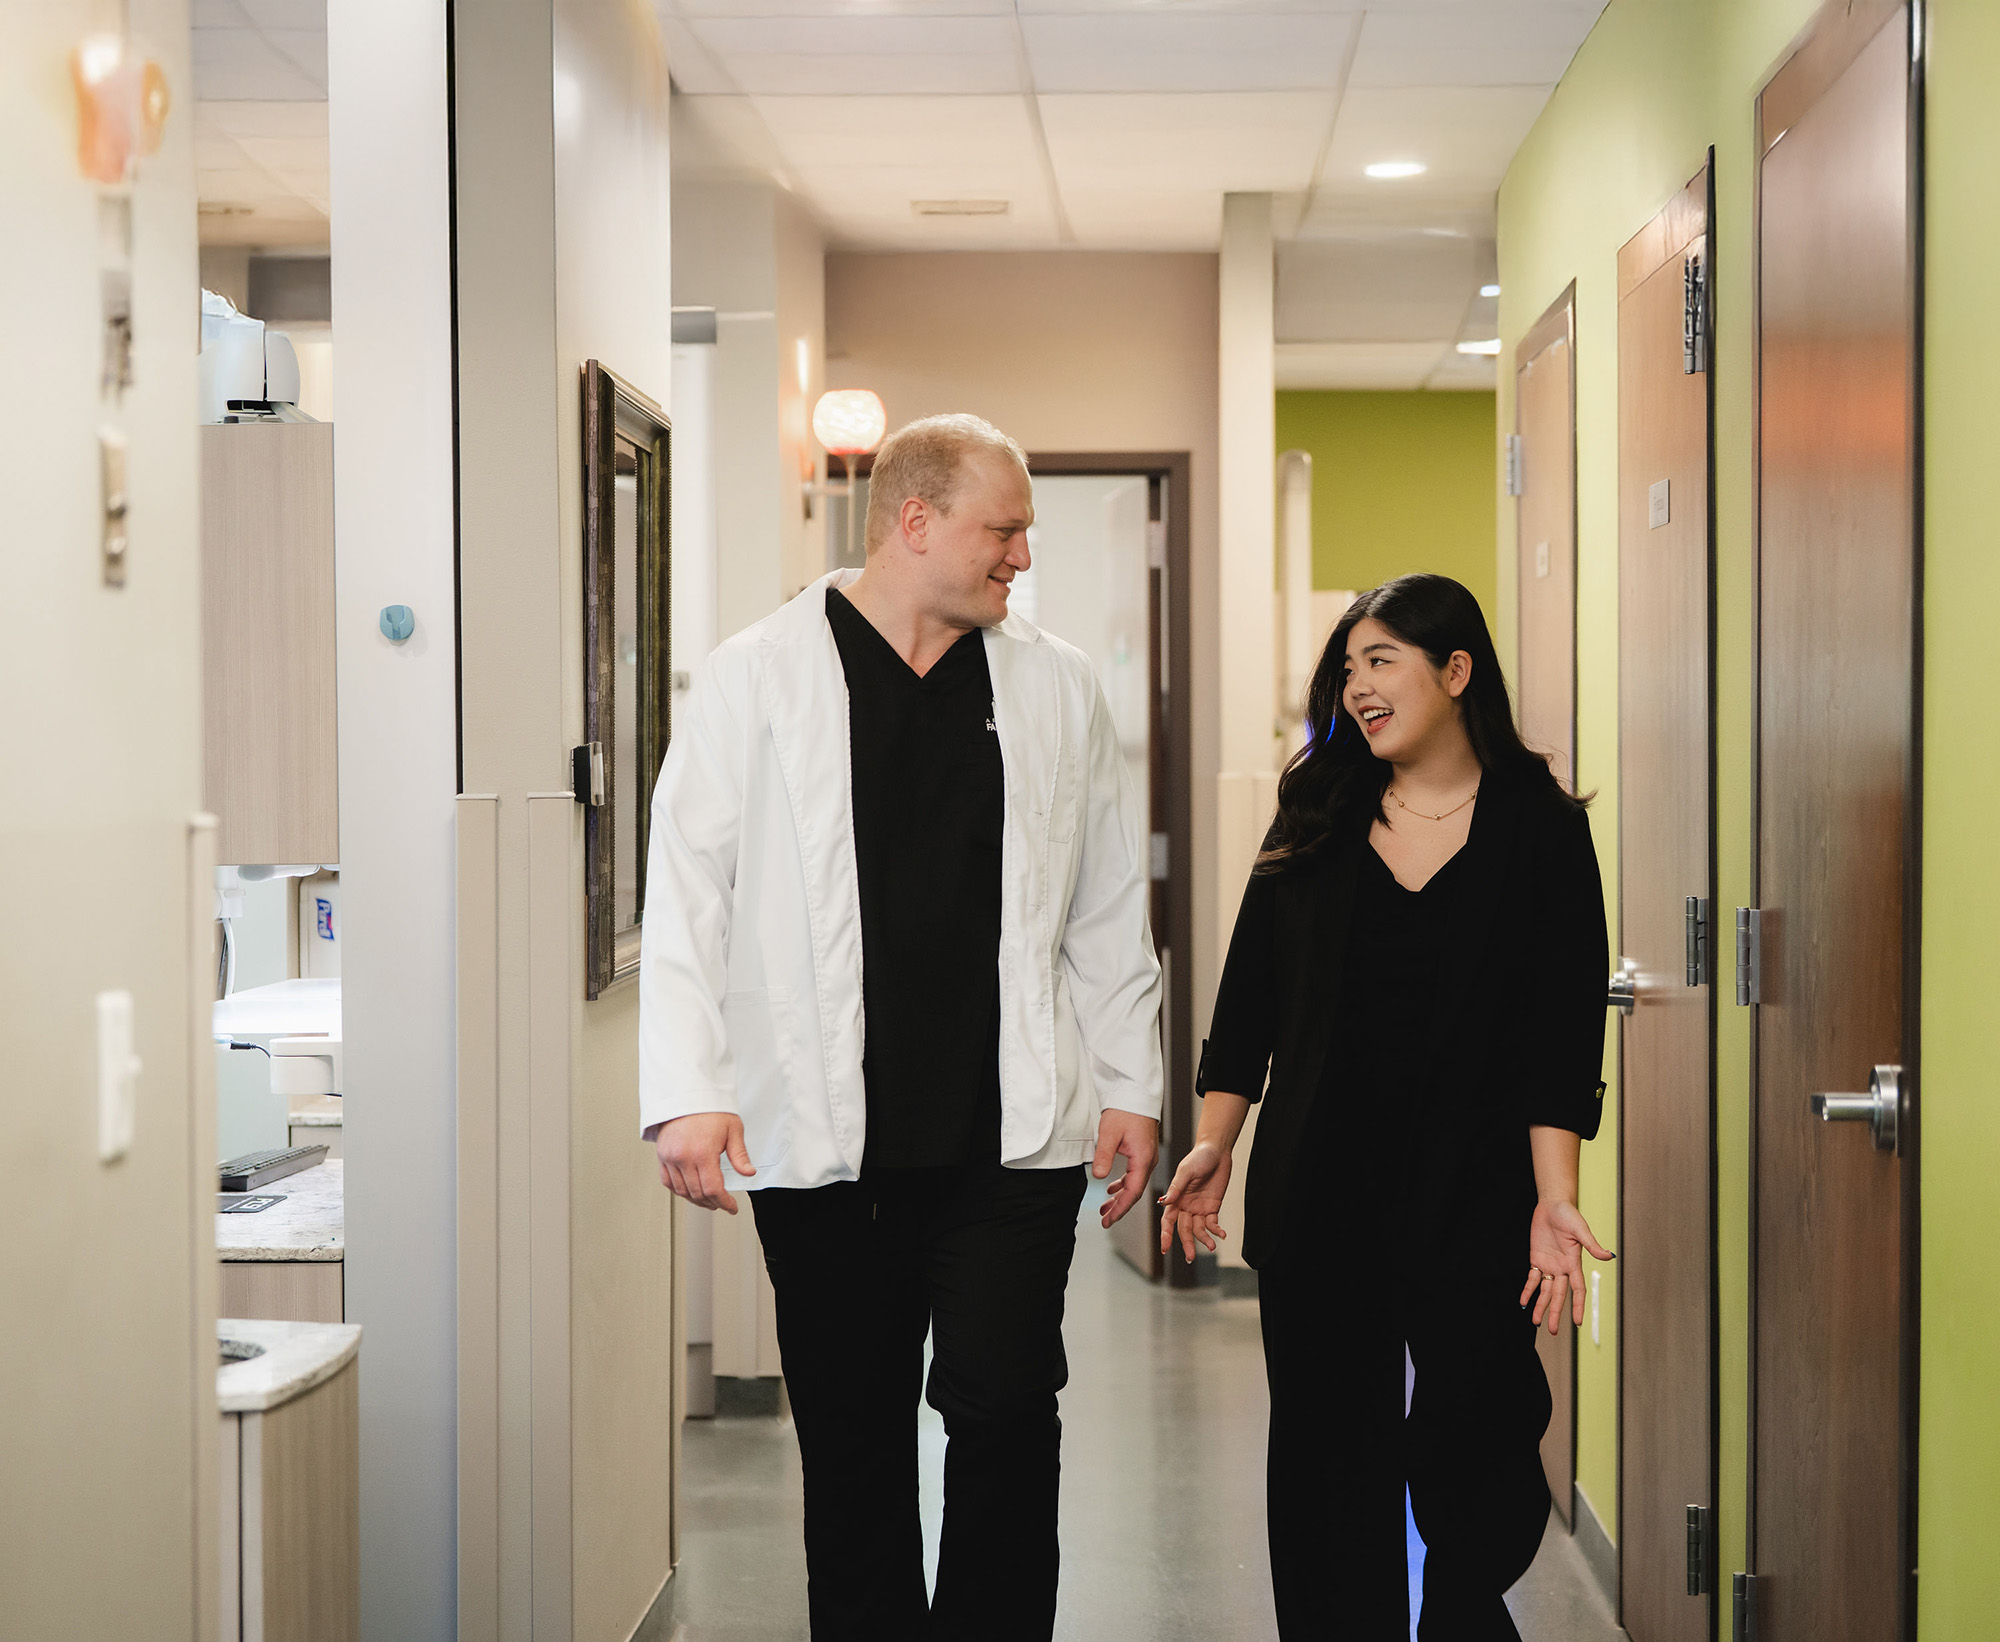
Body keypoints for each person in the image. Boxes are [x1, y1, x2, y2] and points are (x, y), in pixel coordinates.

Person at [639, 413, 1163, 1642]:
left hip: (1009, 1146)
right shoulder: (755, 674)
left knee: (1003, 1421)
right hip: (824, 1150)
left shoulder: (1055, 683)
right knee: (854, 1443)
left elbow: (1102, 906)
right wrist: (685, 1086)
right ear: (912, 523)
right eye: (1004, 528)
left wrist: (1132, 1085)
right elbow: (686, 890)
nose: (1021, 555)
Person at [1159, 572, 1613, 1641]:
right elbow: (1249, 995)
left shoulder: (1537, 827)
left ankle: (1461, 1613)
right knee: (1324, 1456)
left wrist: (1554, 1197)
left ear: (1455, 672)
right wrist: (1214, 1140)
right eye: (1348, 667)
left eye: (1382, 661)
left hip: (1476, 1188)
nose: (1358, 687)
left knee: (1484, 1432)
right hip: (1323, 1182)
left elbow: (1559, 1034)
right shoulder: (1315, 810)